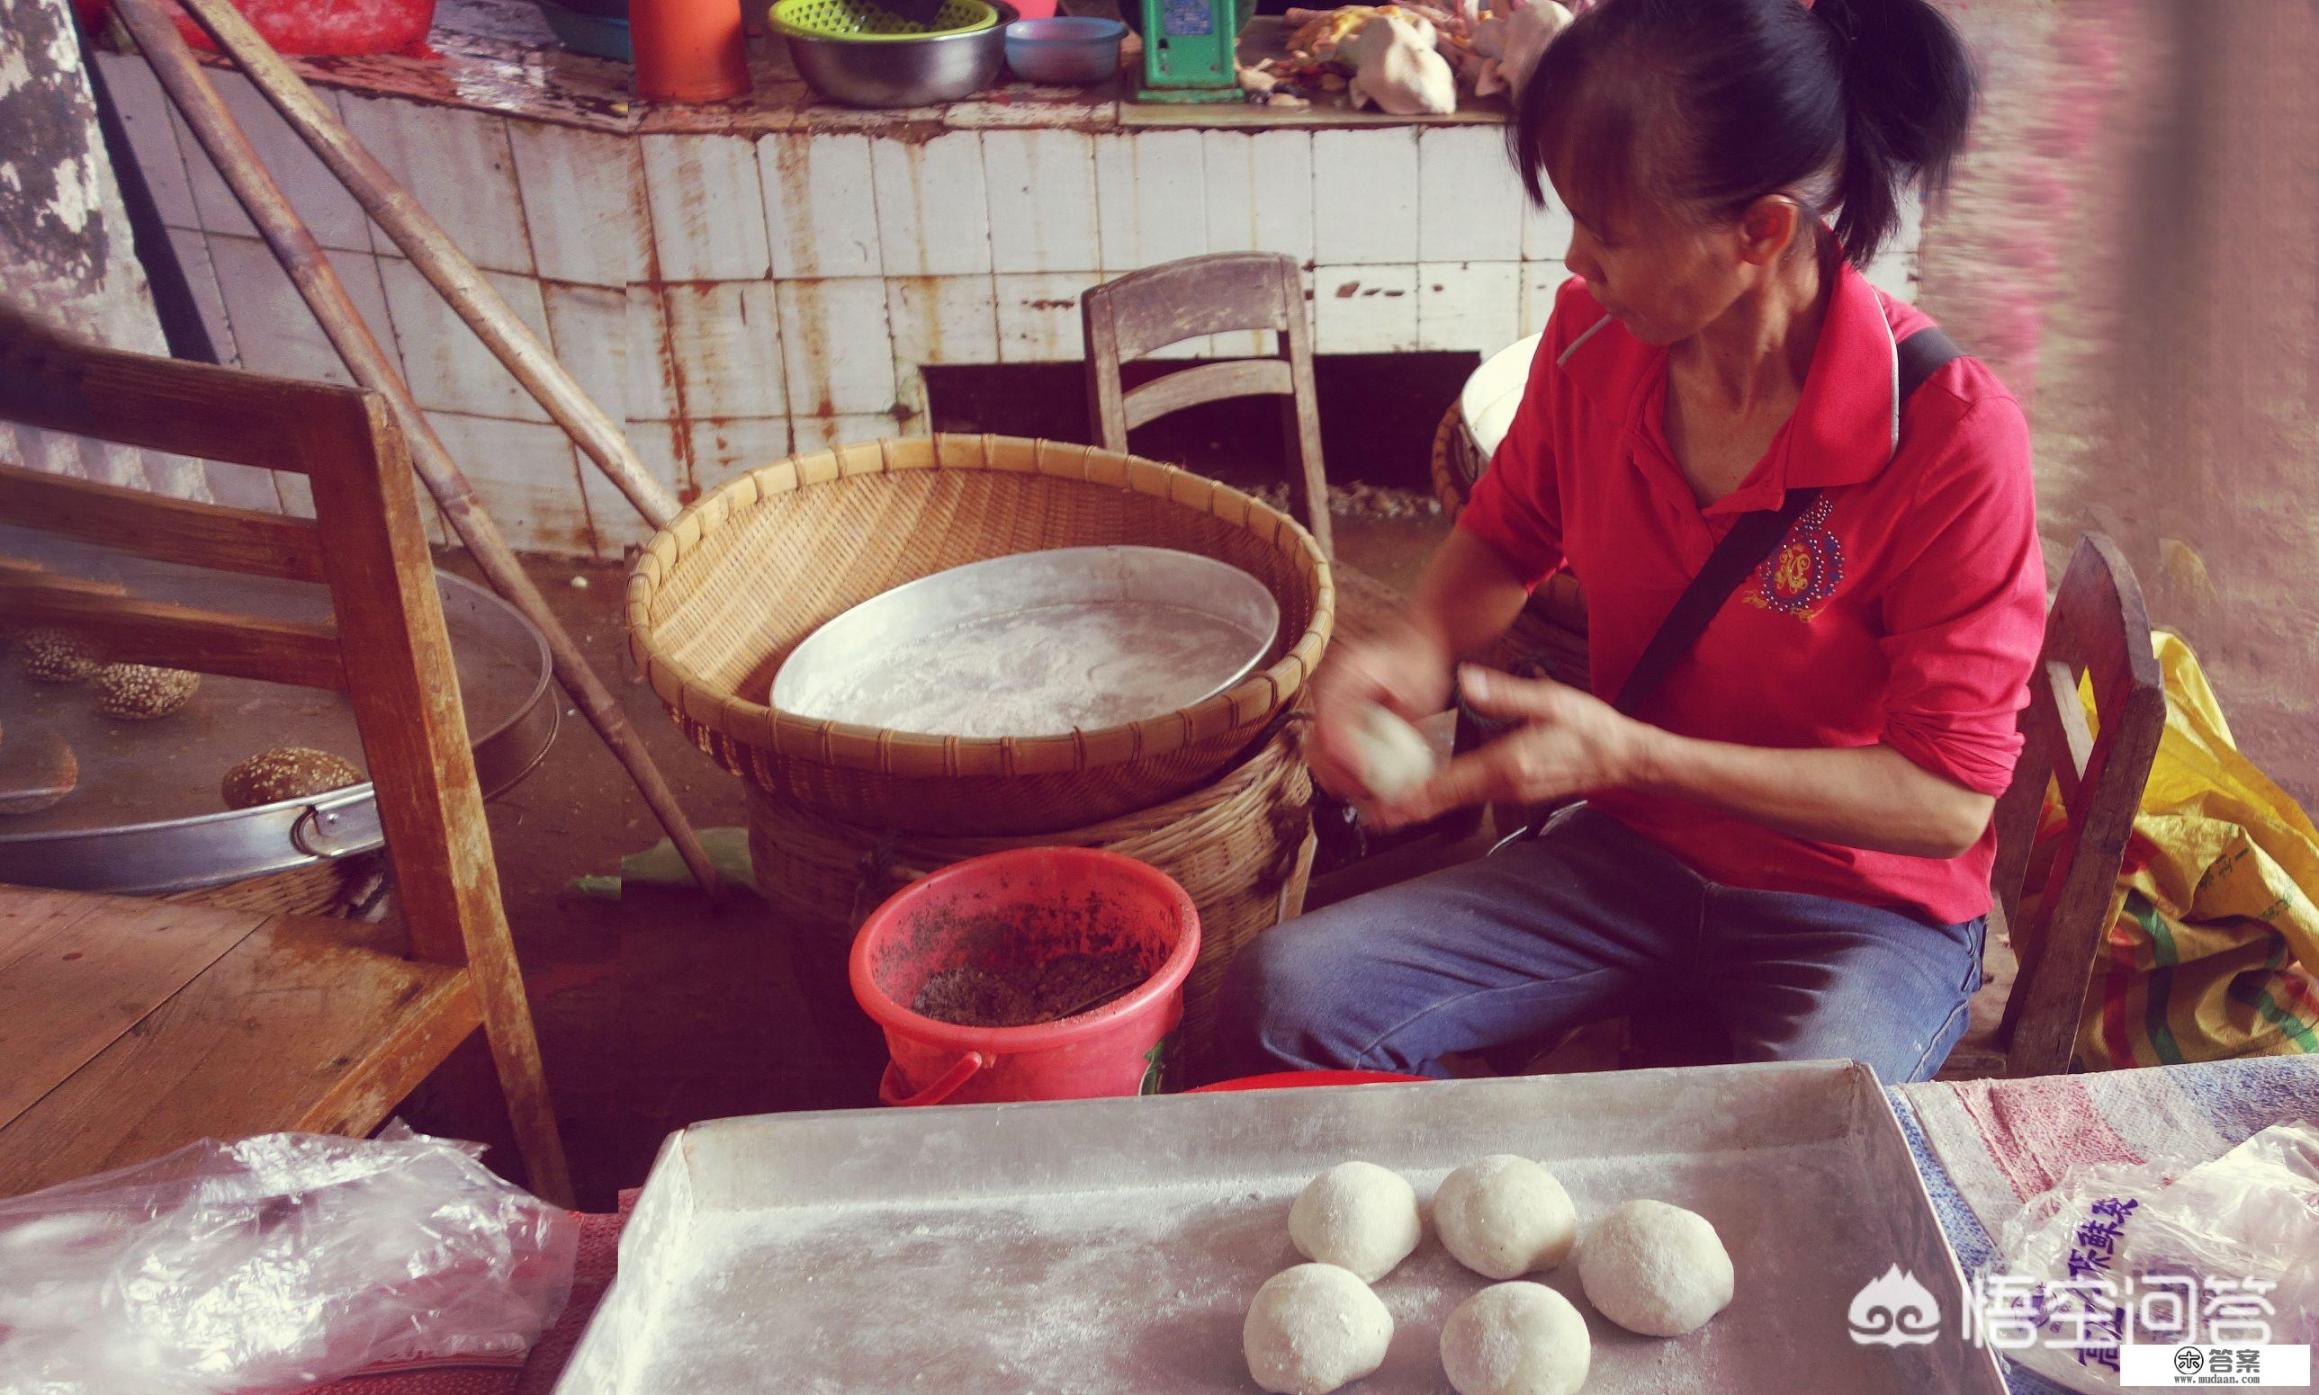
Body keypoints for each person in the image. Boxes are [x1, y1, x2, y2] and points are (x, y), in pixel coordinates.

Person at [1214, 0, 2047, 1085]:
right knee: (1286, 1002)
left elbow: (1945, 803)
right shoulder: (1592, 341)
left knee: (1791, 1161)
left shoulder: (1948, 436)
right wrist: (1415, 652)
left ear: (1759, 234)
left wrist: (1634, 754)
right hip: (1632, 860)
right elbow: (1506, 541)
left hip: (1863, 909)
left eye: (1610, 229)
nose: (1576, 257)